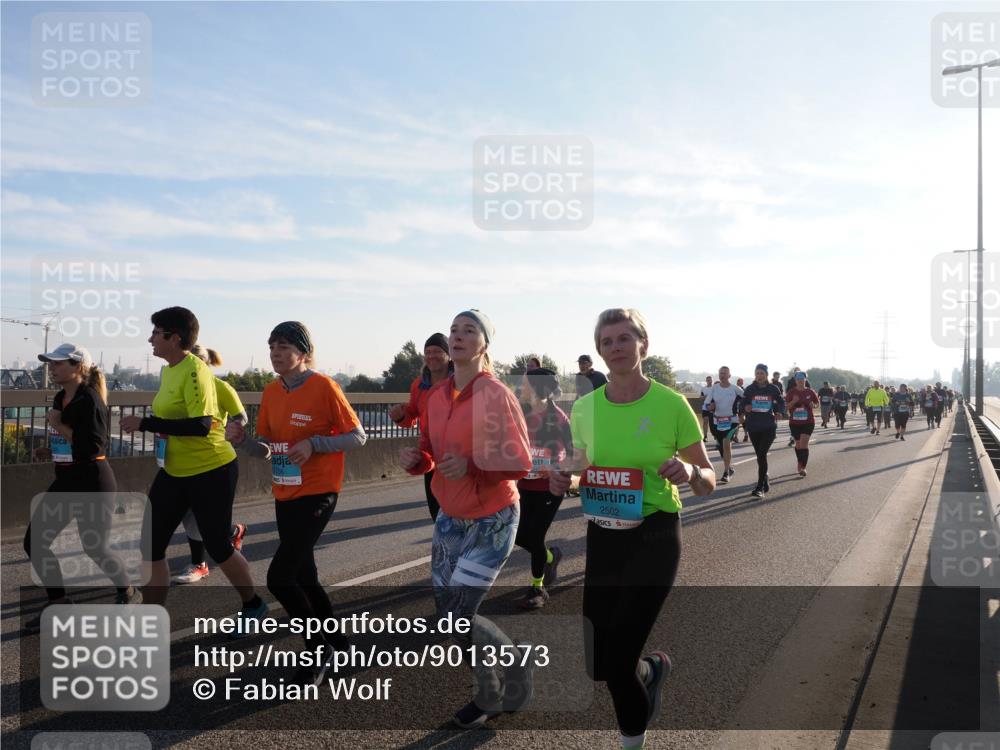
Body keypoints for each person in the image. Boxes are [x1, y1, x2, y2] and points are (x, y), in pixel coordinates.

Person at [549, 308, 715, 750]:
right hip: (603, 536)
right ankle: (651, 672)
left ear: (644, 345)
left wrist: (689, 472)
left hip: (655, 534)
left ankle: (632, 739)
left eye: (625, 339)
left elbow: (707, 480)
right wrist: (564, 477)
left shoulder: (671, 404)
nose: (616, 348)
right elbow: (583, 467)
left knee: (617, 663)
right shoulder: (585, 407)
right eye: (607, 342)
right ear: (599, 352)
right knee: (596, 662)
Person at [399, 309, 533, 729]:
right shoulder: (435, 396)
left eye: (468, 330)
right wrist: (417, 460)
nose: (458, 336)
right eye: (454, 329)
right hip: (449, 517)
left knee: (460, 614)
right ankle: (493, 687)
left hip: (492, 518)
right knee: (449, 617)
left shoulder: (495, 394)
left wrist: (473, 467)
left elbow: (522, 462)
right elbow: (429, 450)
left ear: (484, 345)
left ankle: (505, 679)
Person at [228, 321, 366, 685]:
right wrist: (242, 441)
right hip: (284, 491)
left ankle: (316, 649)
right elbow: (267, 447)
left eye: (285, 346)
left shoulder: (324, 387)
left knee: (280, 576)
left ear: (303, 353)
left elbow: (357, 436)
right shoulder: (272, 392)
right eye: (272, 346)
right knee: (305, 575)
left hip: (319, 492)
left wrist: (314, 444)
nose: (276, 352)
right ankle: (338, 641)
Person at [121, 307, 266, 629]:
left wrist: (145, 422)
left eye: (156, 333)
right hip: (174, 470)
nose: (150, 339)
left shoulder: (195, 371)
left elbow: (202, 425)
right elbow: (174, 417)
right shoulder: (169, 370)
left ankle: (253, 604)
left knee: (217, 543)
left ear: (174, 338)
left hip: (211, 469)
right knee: (150, 543)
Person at [24, 343, 141, 613]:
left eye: (58, 363)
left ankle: (128, 590)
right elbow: (69, 443)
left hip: (92, 481)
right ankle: (59, 602)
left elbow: (91, 447)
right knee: (35, 542)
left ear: (78, 367)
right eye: (50, 364)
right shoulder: (59, 398)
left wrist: (58, 425)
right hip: (66, 480)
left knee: (95, 547)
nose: (51, 368)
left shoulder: (90, 400)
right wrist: (50, 448)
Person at [173, 344, 249, 585]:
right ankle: (226, 538)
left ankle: (201, 563)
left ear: (206, 363)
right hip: (181, 459)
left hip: (214, 461)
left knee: (206, 518)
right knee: (188, 514)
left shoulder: (220, 387)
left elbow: (241, 416)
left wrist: (231, 429)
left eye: (199, 360)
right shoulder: (178, 385)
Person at [513, 367, 570, 610]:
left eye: (525, 383)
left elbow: (575, 453)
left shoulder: (558, 418)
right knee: (517, 535)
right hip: (524, 485)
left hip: (549, 488)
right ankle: (549, 556)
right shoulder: (520, 413)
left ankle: (537, 587)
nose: (521, 387)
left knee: (535, 535)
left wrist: (555, 466)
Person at [388, 333, 453, 520]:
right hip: (431, 455)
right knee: (437, 515)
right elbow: (412, 416)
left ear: (449, 355)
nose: (431, 356)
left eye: (437, 351)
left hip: (456, 453)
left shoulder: (460, 381)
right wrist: (400, 416)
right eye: (428, 352)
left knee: (457, 514)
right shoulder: (419, 385)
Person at [742, 363, 786, 499]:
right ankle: (765, 478)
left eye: (762, 373)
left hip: (768, 427)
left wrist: (780, 412)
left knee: (761, 454)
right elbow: (742, 403)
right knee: (760, 456)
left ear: (766, 375)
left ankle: (759, 486)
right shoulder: (750, 389)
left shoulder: (773, 389)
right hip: (754, 426)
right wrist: (746, 407)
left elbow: (781, 403)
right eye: (757, 373)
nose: (759, 376)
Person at [705, 366, 743, 484]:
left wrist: (742, 413)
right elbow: (706, 404)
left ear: (729, 375)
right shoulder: (715, 388)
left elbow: (746, 399)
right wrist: (710, 407)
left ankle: (726, 472)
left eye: (724, 373)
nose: (722, 375)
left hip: (732, 421)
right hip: (718, 422)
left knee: (726, 443)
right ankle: (729, 468)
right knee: (722, 446)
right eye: (720, 373)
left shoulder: (735, 389)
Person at [786, 371, 819, 476]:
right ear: (795, 380)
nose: (800, 381)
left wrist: (812, 405)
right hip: (795, 422)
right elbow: (786, 407)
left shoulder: (810, 392)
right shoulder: (791, 392)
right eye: (798, 379)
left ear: (805, 380)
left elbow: (817, 404)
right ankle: (800, 462)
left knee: (804, 444)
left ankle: (803, 468)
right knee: (798, 445)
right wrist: (794, 402)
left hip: (808, 422)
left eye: (802, 379)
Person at [699, 375, 714, 442]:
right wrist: (705, 396)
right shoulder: (703, 388)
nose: (709, 381)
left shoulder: (714, 388)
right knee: (705, 421)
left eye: (710, 380)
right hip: (705, 407)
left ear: (712, 381)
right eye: (708, 380)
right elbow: (701, 398)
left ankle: (715, 435)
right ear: (706, 381)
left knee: (712, 422)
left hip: (713, 407)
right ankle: (705, 436)